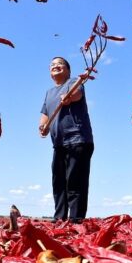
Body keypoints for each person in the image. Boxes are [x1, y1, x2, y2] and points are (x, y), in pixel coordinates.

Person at [39, 56, 94, 223]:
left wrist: (68, 96)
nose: (56, 66)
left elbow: (76, 95)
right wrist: (43, 126)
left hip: (78, 139)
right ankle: (60, 218)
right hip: (59, 144)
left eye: (60, 64)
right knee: (58, 182)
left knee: (75, 181)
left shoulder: (74, 82)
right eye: (52, 64)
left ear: (68, 70)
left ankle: (76, 219)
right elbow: (45, 114)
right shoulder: (49, 92)